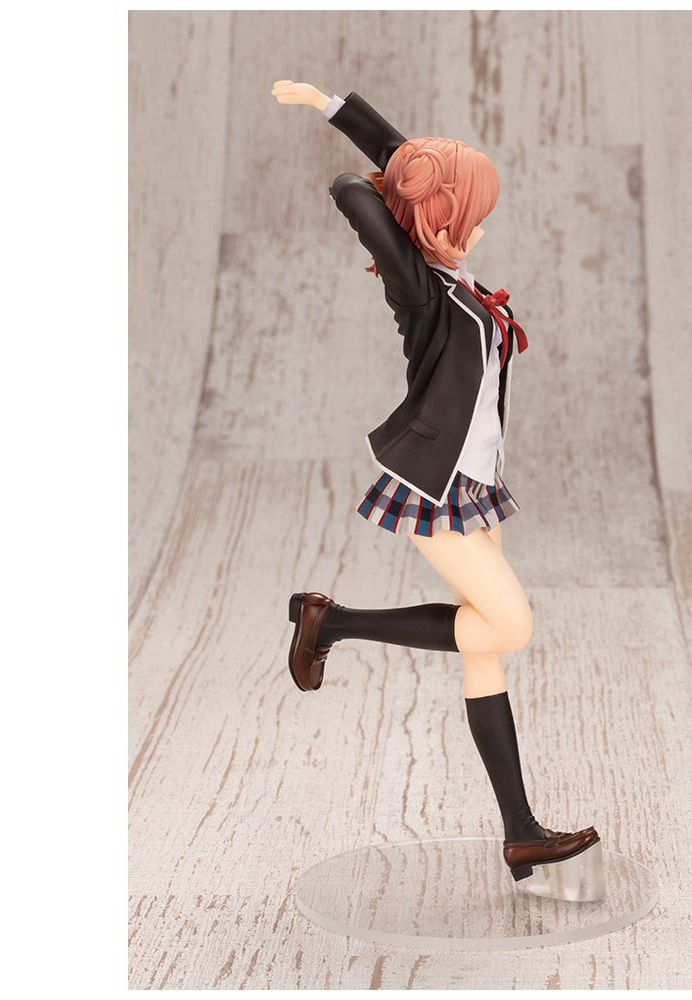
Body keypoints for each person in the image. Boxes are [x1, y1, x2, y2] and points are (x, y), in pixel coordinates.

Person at [272, 82, 603, 900]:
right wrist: (386, 183)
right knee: (509, 624)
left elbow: (401, 168)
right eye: (470, 210)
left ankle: (521, 834)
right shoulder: (420, 289)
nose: (483, 222)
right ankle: (332, 622)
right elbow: (356, 192)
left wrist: (337, 107)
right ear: (440, 217)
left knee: (483, 652)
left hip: (477, 483)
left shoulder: (458, 277)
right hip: (435, 486)